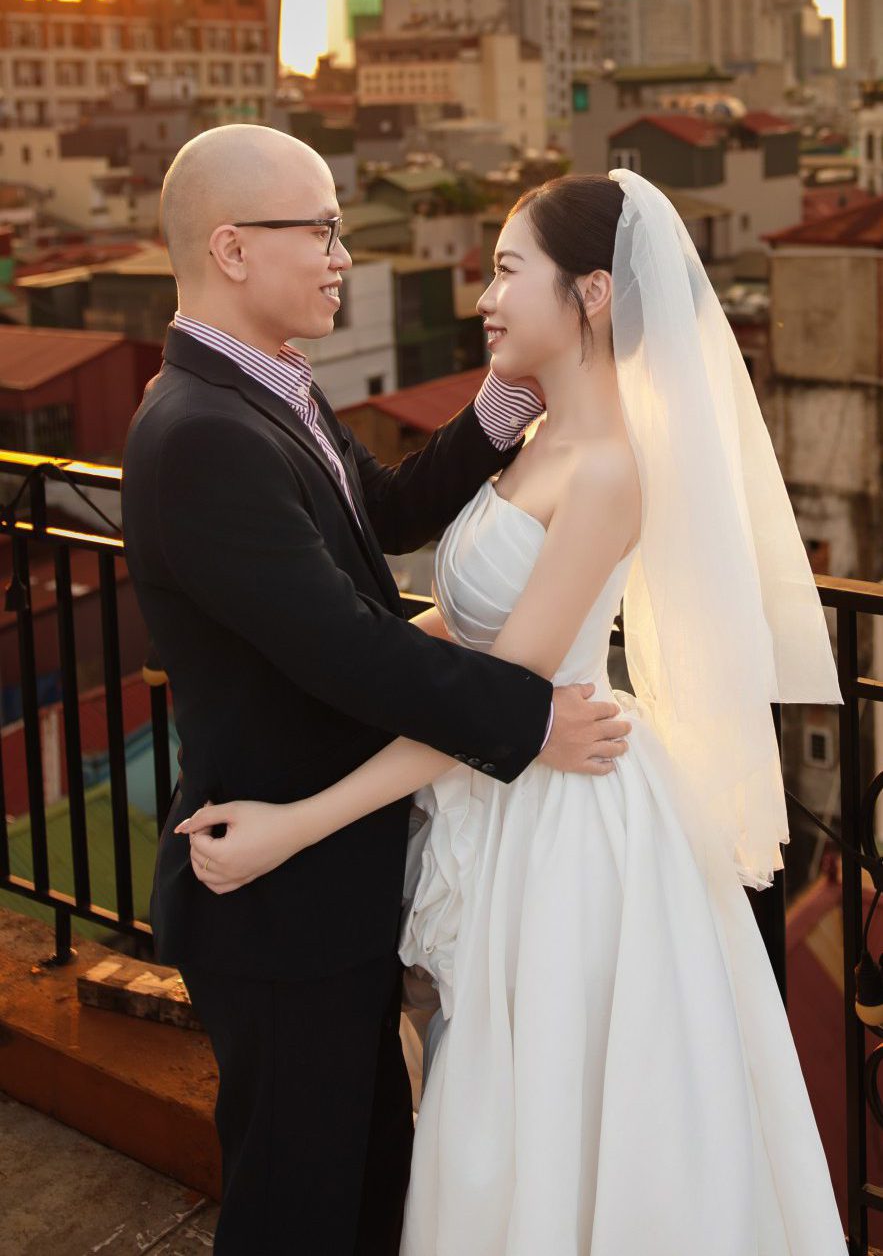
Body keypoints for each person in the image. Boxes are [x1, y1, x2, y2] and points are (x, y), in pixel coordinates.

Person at [182, 170, 848, 1253]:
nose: (484, 297)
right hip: (502, 784)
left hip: (563, 818)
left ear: (591, 291)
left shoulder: (607, 470)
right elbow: (461, 633)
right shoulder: (541, 442)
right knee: (485, 1089)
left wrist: (296, 823)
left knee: (540, 1104)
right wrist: (337, 667)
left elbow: (500, 696)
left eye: (505, 271)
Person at [121, 125, 630, 1256]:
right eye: (323, 231)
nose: (342, 256)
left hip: (330, 878)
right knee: (297, 1206)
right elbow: (347, 646)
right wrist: (529, 715)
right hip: (277, 893)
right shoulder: (200, 432)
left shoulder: (273, 391)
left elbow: (382, 516)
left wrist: (504, 406)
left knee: (367, 1182)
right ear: (233, 249)